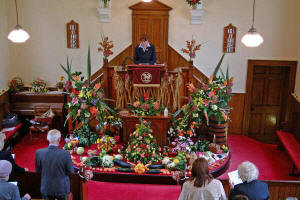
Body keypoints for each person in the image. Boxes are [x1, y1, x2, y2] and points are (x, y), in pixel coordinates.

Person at [35, 129, 74, 200]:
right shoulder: (65, 154)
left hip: (46, 188)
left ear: (48, 139)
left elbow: (38, 170)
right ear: (59, 139)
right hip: (62, 188)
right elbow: (71, 171)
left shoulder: (39, 153)